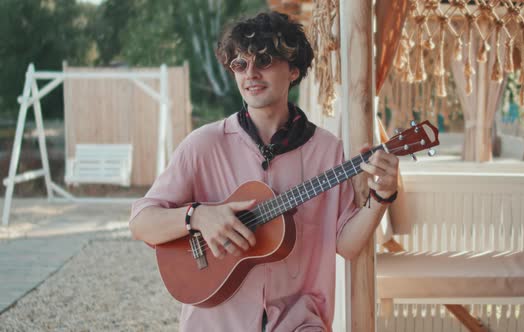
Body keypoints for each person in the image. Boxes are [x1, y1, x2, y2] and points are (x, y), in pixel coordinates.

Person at [129, 11, 399, 332]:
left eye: (265, 60)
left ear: (294, 69)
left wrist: (382, 194)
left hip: (300, 322)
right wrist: (198, 216)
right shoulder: (203, 145)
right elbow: (141, 222)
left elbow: (348, 244)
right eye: (240, 65)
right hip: (216, 322)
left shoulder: (328, 150)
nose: (251, 74)